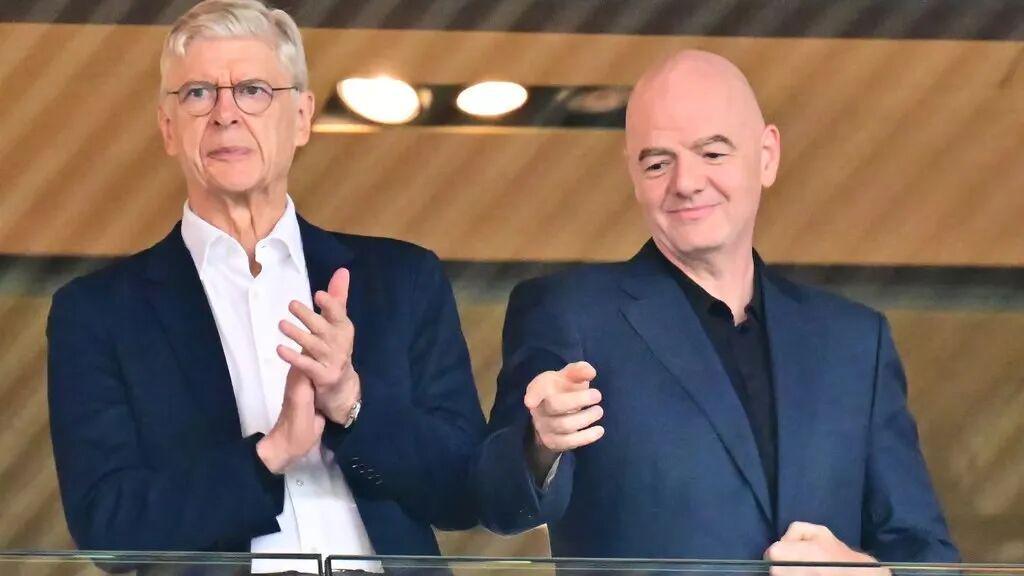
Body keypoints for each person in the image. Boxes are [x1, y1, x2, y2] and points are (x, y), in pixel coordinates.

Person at [47, 1, 485, 572]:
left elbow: (465, 490)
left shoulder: (402, 280)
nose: (225, 114)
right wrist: (271, 452)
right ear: (168, 127)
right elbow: (108, 527)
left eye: (252, 90)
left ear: (302, 117)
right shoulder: (98, 313)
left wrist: (352, 404)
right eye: (198, 93)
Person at [473, 49, 959, 564]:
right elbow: (496, 504)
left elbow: (926, 553)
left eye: (713, 153)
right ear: (633, 174)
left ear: (767, 156)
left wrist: (866, 574)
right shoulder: (570, 312)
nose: (686, 183)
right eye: (658, 163)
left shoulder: (854, 342)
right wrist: (540, 444)